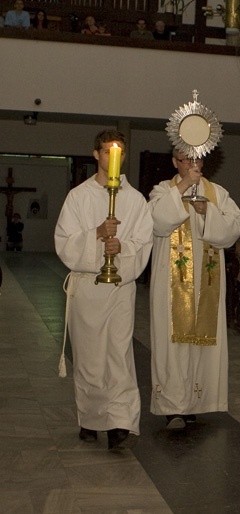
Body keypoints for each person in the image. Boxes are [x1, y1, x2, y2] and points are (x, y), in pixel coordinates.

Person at [54, 129, 153, 451]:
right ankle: (91, 417)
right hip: (86, 289)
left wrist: (120, 247)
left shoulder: (135, 200)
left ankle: (119, 421)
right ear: (97, 155)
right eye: (108, 152)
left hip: (119, 289)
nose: (114, 158)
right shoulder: (78, 197)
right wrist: (96, 235)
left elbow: (143, 243)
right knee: (89, 357)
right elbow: (64, 243)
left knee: (118, 355)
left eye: (120, 152)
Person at [149, 150, 240, 430]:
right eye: (186, 159)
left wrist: (207, 211)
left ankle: (195, 404)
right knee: (173, 340)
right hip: (171, 282)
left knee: (201, 341)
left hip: (206, 282)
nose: (193, 164)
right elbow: (156, 222)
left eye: (197, 159)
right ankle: (173, 407)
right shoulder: (162, 190)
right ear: (175, 162)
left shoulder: (218, 193)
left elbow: (233, 229)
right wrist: (181, 188)